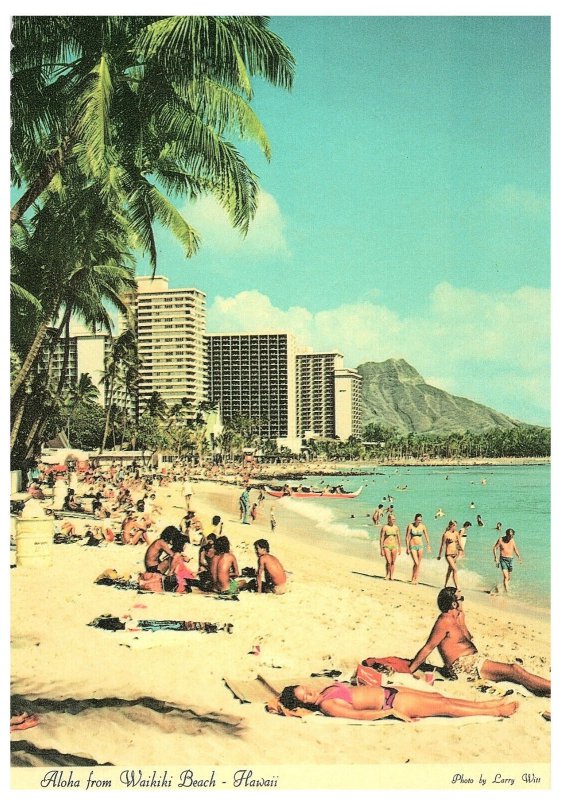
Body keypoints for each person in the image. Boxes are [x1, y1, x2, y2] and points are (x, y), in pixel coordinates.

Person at [409, 587, 550, 696]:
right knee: (515, 669)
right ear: (453, 603)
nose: (463, 601)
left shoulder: (457, 617)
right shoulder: (444, 620)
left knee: (514, 675)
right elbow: (428, 647)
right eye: (461, 598)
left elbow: (467, 639)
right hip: (464, 666)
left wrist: (462, 618)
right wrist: (410, 670)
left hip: (473, 661)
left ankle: (543, 689)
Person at [278, 681, 518, 721]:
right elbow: (360, 716)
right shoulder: (327, 705)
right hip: (393, 704)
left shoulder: (327, 689)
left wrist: (397, 686)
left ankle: (486, 704)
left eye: (305, 689)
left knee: (439, 697)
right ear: (307, 704)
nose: (310, 691)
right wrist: (391, 714)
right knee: (445, 708)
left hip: (392, 691)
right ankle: (496, 712)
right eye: (306, 696)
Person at [492, 528, 522, 593]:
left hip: (511, 560)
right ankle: (507, 592)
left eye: (512, 536)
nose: (511, 537)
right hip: (503, 560)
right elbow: (495, 548)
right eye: (510, 536)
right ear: (507, 534)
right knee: (506, 576)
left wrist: (519, 556)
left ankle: (500, 587)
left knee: (508, 578)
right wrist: (496, 558)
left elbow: (515, 549)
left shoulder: (512, 540)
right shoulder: (501, 540)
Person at [405, 513, 431, 584]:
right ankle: (414, 578)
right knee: (416, 562)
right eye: (418, 520)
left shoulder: (423, 526)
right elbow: (407, 537)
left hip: (420, 546)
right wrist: (407, 548)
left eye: (420, 520)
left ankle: (415, 578)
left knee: (418, 564)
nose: (419, 521)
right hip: (412, 545)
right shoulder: (410, 526)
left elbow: (426, 536)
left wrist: (428, 545)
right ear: (415, 519)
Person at [437, 520, 463, 590]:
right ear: (451, 525)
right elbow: (442, 545)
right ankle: (457, 586)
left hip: (455, 554)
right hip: (448, 555)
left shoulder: (456, 533)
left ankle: (445, 585)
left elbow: (458, 543)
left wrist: (461, 551)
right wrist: (439, 555)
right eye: (454, 526)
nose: (456, 527)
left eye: (456, 526)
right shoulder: (446, 534)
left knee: (450, 570)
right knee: (455, 569)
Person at [380, 513, 401, 580]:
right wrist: (381, 549)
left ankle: (391, 575)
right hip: (386, 546)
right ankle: (387, 574)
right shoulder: (385, 527)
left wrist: (400, 548)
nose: (394, 520)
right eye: (392, 519)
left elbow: (398, 538)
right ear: (389, 519)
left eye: (394, 519)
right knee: (388, 561)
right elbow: (381, 538)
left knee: (392, 562)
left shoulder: (396, 527)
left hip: (394, 546)